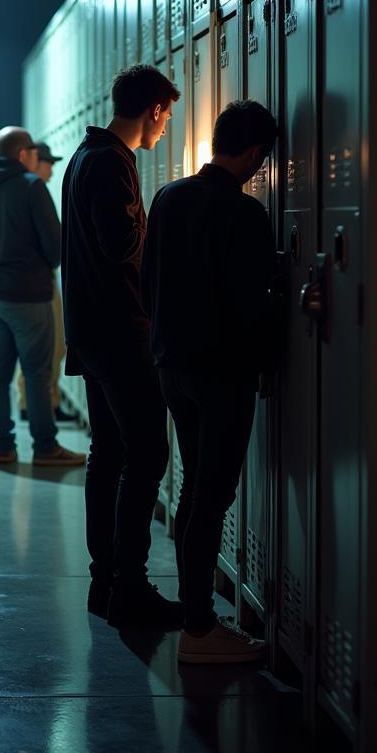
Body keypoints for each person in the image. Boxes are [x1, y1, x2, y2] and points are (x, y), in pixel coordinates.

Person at [142, 100, 278, 664]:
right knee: (210, 499)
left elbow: (147, 281)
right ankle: (199, 629)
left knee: (193, 490)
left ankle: (197, 617)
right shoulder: (246, 215)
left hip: (174, 368)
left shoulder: (169, 197)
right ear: (253, 153)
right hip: (223, 375)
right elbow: (254, 305)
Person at [61, 64, 182, 626]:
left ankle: (104, 581)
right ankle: (129, 585)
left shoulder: (85, 156)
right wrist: (157, 218)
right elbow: (120, 246)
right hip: (120, 331)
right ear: (154, 108)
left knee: (108, 453)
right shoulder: (112, 161)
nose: (166, 127)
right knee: (147, 454)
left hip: (93, 329)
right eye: (167, 114)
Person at [0, 126, 85, 467]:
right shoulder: (32, 187)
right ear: (23, 154)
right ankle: (45, 447)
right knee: (37, 373)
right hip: (30, 296)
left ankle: (3, 447)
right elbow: (55, 246)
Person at [16, 142, 79, 426]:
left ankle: (36, 402)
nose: (52, 170)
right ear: (32, 160)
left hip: (32, 280)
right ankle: (41, 406)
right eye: (49, 163)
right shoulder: (33, 190)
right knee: (51, 346)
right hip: (39, 280)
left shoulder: (27, 190)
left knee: (44, 347)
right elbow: (52, 243)